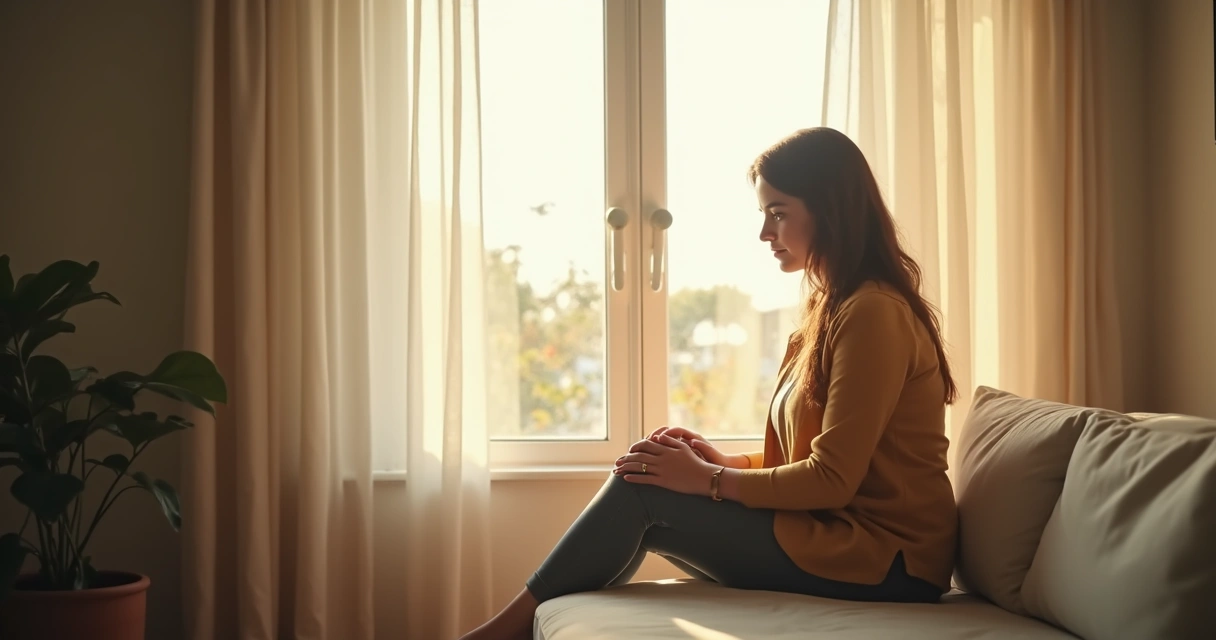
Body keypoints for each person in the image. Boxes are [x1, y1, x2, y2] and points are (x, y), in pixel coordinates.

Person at [459, 127, 960, 640]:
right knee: (647, 482)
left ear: (830, 209)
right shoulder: (833, 308)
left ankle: (498, 634)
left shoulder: (873, 312)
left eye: (778, 213)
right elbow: (813, 454)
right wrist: (723, 463)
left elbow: (831, 479)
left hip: (887, 559)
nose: (764, 232)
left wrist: (707, 480)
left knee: (642, 495)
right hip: (842, 537)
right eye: (764, 214)